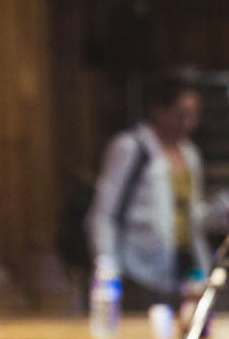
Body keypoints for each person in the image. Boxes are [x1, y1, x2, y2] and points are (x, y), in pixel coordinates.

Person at [85, 75, 211, 310]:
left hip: (185, 264)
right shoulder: (131, 147)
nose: (188, 122)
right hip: (138, 268)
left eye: (193, 114)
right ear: (158, 111)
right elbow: (104, 213)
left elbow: (188, 210)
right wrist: (106, 266)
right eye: (180, 114)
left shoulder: (191, 154)